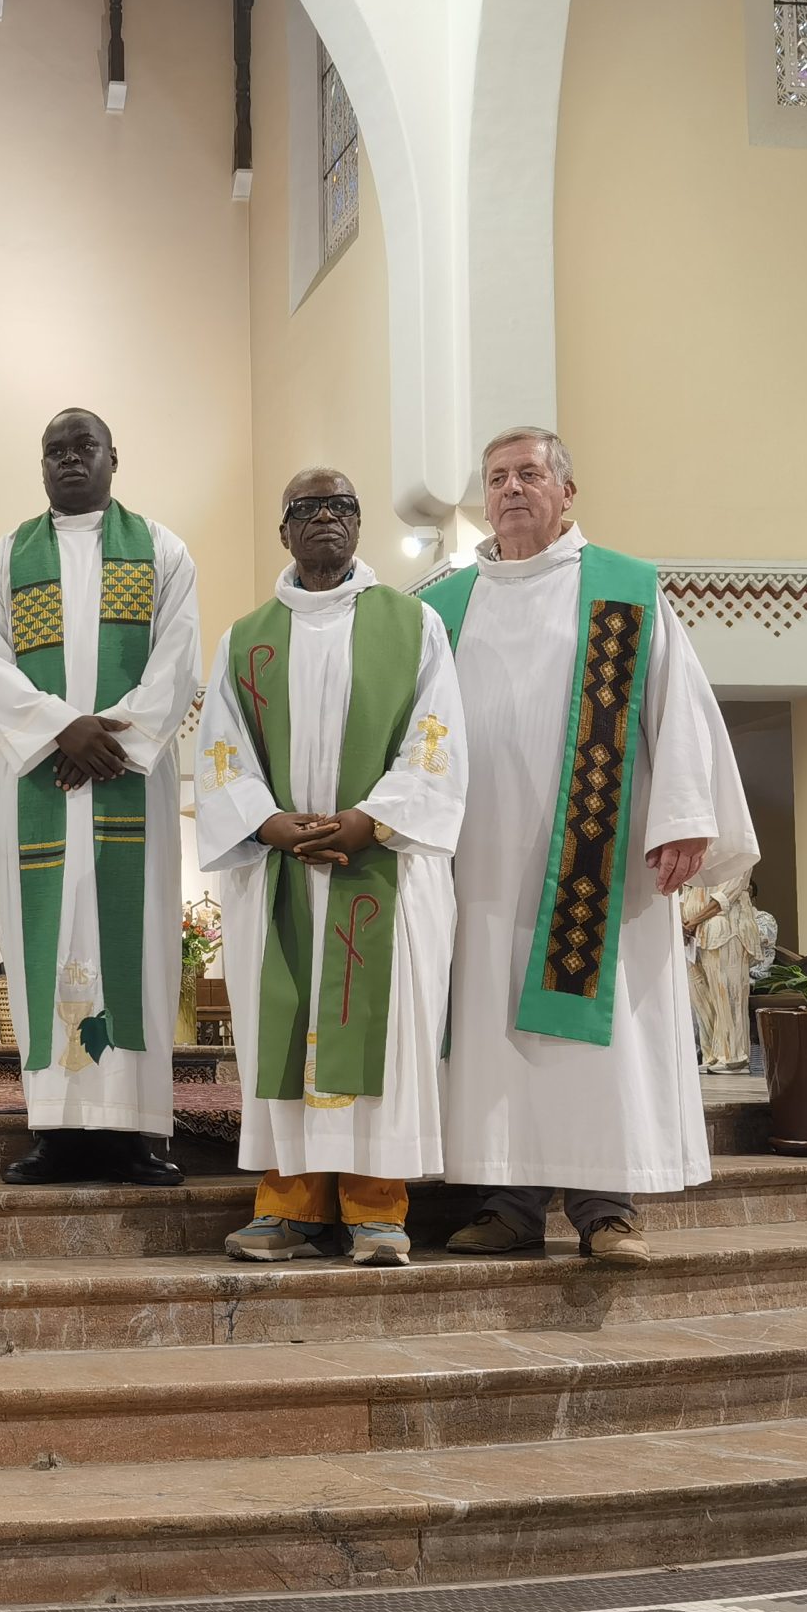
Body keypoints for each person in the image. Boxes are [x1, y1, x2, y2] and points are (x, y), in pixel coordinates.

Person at [429, 427, 757, 1264]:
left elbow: (677, 706)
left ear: (565, 491)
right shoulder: (441, 605)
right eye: (496, 477)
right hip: (481, 870)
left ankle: (606, 1209)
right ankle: (507, 1204)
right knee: (494, 1036)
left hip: (595, 867)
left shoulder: (624, 588)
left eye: (529, 474)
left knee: (591, 1045)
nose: (510, 490)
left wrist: (682, 815)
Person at [194, 470, 465, 1267]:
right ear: (283, 532)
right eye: (305, 510)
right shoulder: (246, 638)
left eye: (340, 507)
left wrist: (368, 821)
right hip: (279, 874)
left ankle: (379, 1209)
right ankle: (288, 1205)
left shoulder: (412, 625)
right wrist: (268, 822)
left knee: (381, 1042)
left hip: (378, 866)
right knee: (284, 1038)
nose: (324, 520)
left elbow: (436, 739)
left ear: (358, 525)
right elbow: (220, 753)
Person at [0, 409, 200, 1186]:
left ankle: (134, 1132)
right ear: (42, 466)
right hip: (40, 781)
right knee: (45, 944)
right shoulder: (5, 559)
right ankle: (56, 1130)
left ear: (112, 458)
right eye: (55, 451)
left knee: (137, 944)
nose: (69, 462)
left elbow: (178, 660)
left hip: (128, 781)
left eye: (82, 448)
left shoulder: (163, 551)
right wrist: (63, 730)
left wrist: (109, 743)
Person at [684, 875, 759, 1071]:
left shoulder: (737, 852)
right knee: (701, 997)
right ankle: (712, 1055)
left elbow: (725, 897)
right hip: (694, 935)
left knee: (727, 994)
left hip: (726, 929)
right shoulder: (698, 858)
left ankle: (733, 1056)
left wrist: (692, 921)